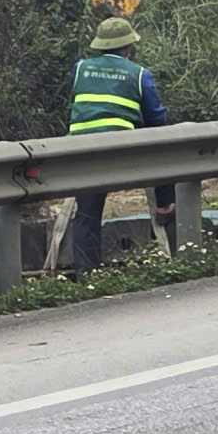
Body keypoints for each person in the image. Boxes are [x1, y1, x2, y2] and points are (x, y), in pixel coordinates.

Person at [58, 15, 175, 275]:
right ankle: (166, 207)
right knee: (166, 154)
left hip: (80, 150)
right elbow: (158, 120)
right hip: (121, 152)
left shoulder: (80, 69)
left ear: (100, 45)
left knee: (87, 212)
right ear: (129, 46)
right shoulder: (140, 74)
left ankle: (88, 275)